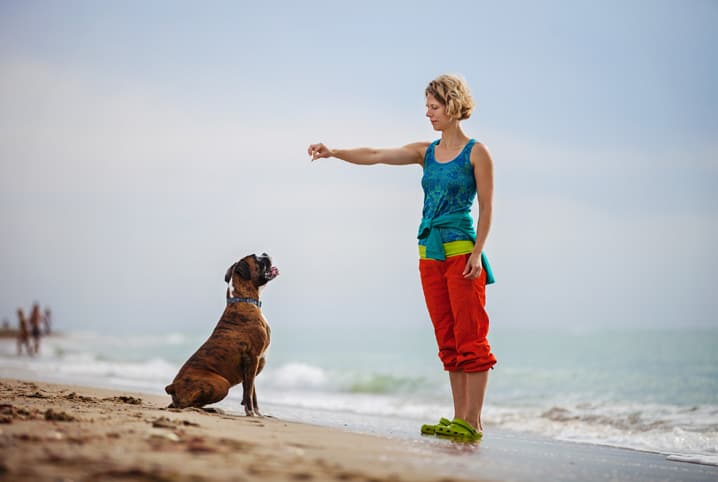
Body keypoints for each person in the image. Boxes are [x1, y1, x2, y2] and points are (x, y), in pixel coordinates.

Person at [307, 74, 497, 442]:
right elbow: (376, 155)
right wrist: (334, 152)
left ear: (453, 105)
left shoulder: (477, 152)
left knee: (471, 336)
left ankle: (473, 423)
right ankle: (459, 417)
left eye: (434, 106)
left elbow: (487, 208)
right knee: (448, 338)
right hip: (429, 253)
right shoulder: (424, 152)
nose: (428, 113)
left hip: (462, 253)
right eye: (426, 107)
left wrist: (477, 252)